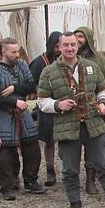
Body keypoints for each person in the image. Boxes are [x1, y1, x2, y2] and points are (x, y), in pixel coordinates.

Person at [36, 32, 105, 208]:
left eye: (73, 45)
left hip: (93, 123)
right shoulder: (49, 72)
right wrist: (57, 105)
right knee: (70, 169)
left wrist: (102, 103)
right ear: (59, 47)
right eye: (66, 45)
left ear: (77, 46)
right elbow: (41, 100)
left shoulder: (91, 67)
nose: (70, 48)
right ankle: (75, 205)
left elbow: (103, 89)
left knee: (104, 165)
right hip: (67, 126)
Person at [0, 38, 45, 200]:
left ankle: (31, 180)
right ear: (4, 51)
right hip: (5, 112)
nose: (16, 54)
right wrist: (13, 101)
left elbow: (31, 85)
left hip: (22, 111)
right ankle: (8, 185)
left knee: (32, 146)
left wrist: (15, 88)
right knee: (7, 151)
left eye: (17, 51)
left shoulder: (21, 65)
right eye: (13, 51)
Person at [74, 26, 105, 193]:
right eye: (76, 36)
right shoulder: (69, 58)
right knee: (72, 148)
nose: (78, 40)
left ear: (88, 38)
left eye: (81, 36)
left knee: (93, 147)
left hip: (94, 110)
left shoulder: (99, 59)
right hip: (74, 112)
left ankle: (91, 180)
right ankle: (72, 179)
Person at [29, 31, 62, 186]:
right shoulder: (39, 63)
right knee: (49, 140)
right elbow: (31, 85)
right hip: (47, 106)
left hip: (64, 105)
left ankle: (68, 169)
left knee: (66, 139)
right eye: (56, 46)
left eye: (59, 46)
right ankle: (50, 170)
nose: (58, 49)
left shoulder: (66, 61)